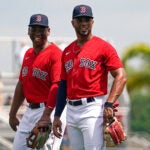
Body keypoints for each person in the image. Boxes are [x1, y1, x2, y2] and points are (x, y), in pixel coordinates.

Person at [53, 4, 127, 150]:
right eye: (80, 19)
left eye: (87, 19)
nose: (83, 23)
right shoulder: (67, 51)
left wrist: (109, 104)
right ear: (73, 22)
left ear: (92, 22)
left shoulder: (103, 47)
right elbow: (63, 84)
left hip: (93, 108)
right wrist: (57, 116)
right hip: (72, 111)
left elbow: (121, 76)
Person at [9, 14, 66, 150]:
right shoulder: (28, 54)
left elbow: (57, 86)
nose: (37, 33)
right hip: (30, 110)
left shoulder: (55, 54)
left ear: (48, 31)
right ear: (28, 31)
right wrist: (12, 114)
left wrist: (46, 116)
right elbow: (21, 84)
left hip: (50, 109)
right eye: (34, 29)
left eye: (41, 29)